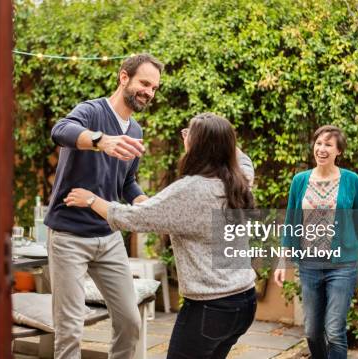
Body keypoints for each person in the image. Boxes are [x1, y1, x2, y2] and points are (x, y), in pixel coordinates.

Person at [64, 113, 258, 359]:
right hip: (244, 302)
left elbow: (132, 218)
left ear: (200, 146)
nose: (184, 137)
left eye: (189, 133)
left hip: (210, 308)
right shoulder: (239, 179)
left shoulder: (191, 189)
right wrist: (221, 138)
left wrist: (92, 200)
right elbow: (245, 160)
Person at [44, 53, 163, 359]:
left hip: (108, 237)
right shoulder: (92, 111)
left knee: (129, 320)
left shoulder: (135, 131)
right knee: (69, 329)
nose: (149, 92)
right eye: (144, 83)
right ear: (124, 77)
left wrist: (143, 202)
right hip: (69, 235)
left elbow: (127, 182)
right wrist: (100, 140)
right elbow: (60, 131)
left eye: (154, 88)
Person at [273, 125, 358, 359]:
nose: (321, 148)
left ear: (339, 150)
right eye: (318, 143)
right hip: (309, 266)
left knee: (335, 331)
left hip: (343, 266)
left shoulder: (351, 180)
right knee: (312, 331)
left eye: (328, 144)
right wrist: (282, 260)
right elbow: (290, 222)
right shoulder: (300, 181)